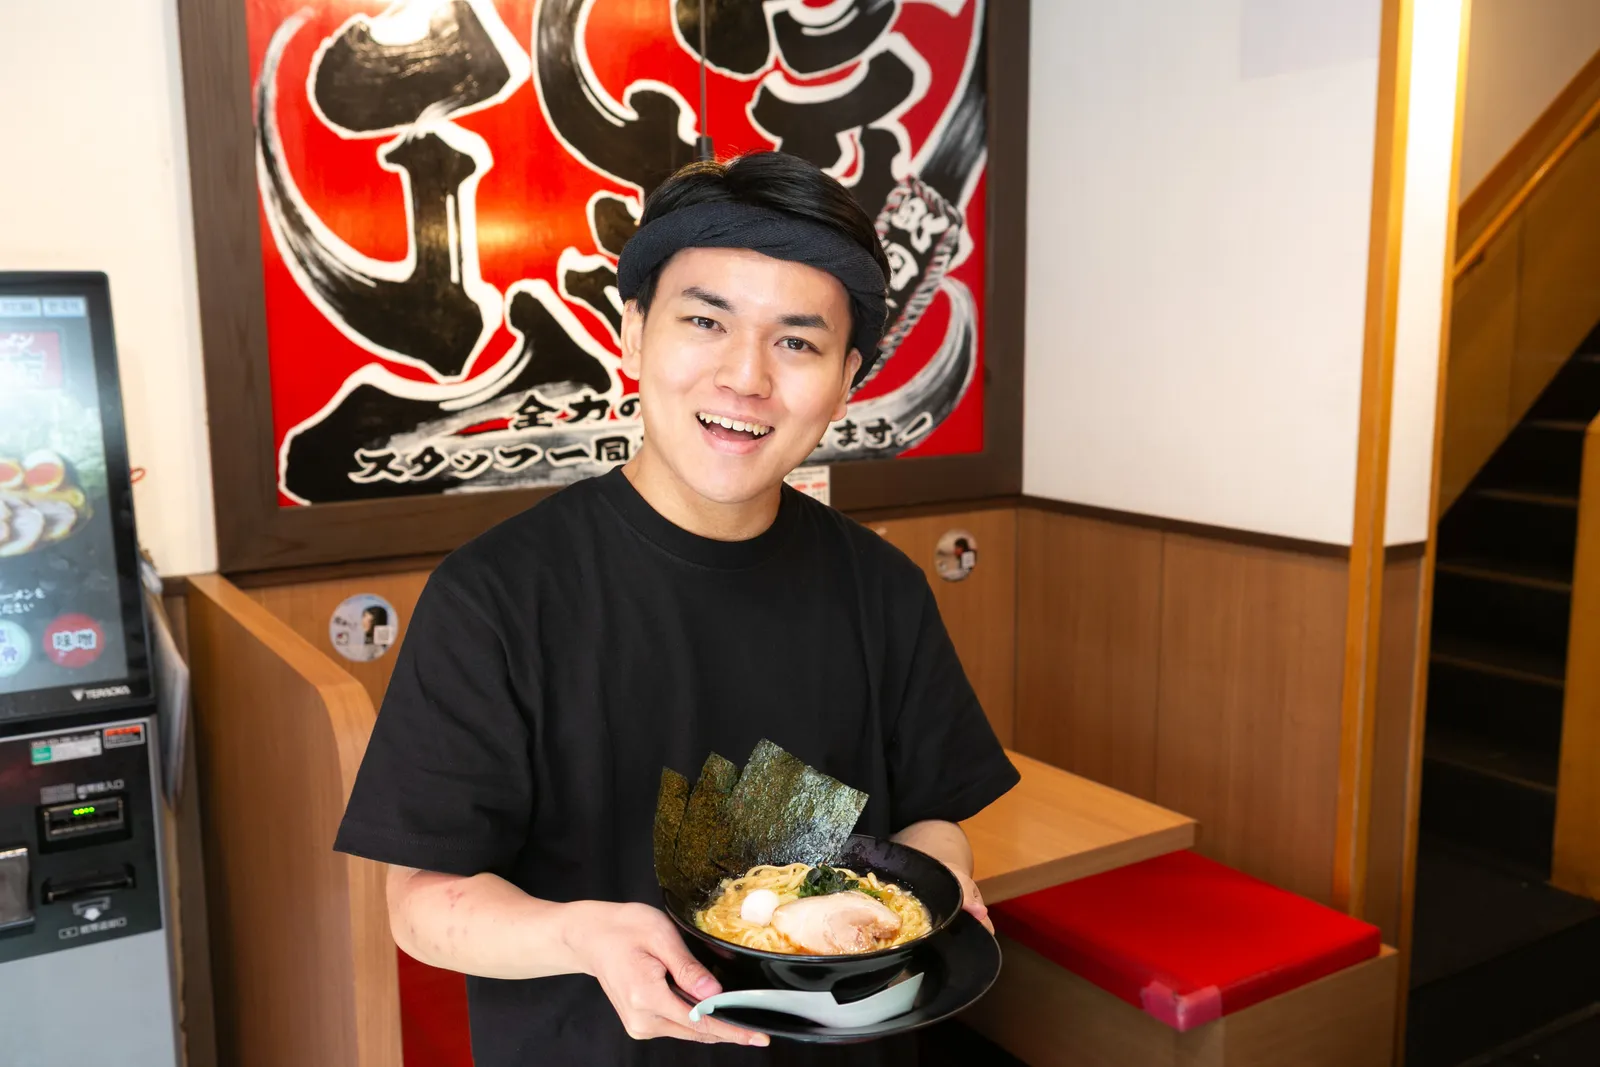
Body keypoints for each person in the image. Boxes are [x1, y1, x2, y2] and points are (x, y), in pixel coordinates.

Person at [333, 151, 1020, 1066]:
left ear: (847, 378)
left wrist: (931, 889)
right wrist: (580, 936)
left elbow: (933, 816)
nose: (745, 377)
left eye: (798, 342)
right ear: (633, 335)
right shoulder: (497, 595)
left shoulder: (881, 586)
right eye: (705, 321)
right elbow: (421, 902)